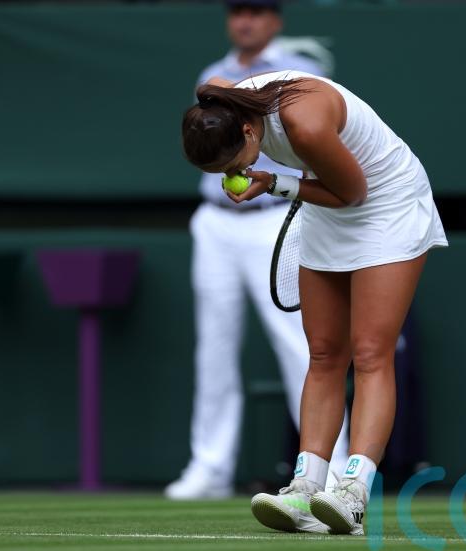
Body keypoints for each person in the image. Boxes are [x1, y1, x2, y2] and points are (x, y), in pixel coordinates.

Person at [180, 71, 448, 535]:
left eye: (233, 164)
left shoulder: (303, 124)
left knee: (370, 353)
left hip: (386, 203)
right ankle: (304, 488)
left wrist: (274, 183)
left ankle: (354, 494)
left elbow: (354, 193)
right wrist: (272, 177)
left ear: (249, 130)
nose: (231, 174)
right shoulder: (223, 103)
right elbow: (216, 85)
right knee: (323, 353)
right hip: (329, 205)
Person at [164, 0, 349, 501]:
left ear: (275, 20)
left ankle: (333, 473)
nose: (245, 21)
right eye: (238, 12)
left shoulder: (298, 71)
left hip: (275, 216)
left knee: (303, 345)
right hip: (216, 222)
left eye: (257, 11)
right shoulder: (211, 73)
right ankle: (210, 468)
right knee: (214, 348)